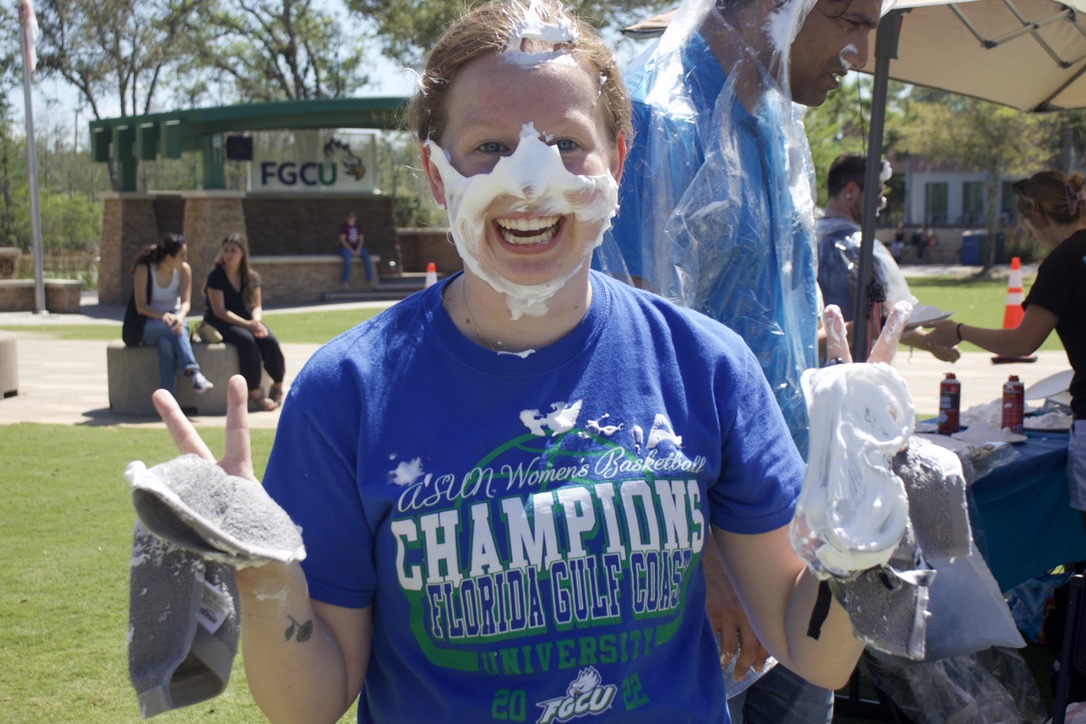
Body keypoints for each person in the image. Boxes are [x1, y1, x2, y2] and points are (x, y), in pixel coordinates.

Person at [148, 2, 907, 720]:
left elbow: (817, 652)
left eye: (566, 143)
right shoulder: (349, 393)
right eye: (490, 147)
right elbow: (307, 704)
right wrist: (266, 577)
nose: (530, 180)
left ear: (617, 155)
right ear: (438, 171)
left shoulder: (704, 367)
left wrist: (860, 539)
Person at [594, 0, 883, 720]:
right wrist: (698, 549)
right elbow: (622, 355)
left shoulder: (774, 128)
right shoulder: (658, 125)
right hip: (702, 546)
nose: (862, 50)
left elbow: (767, 331)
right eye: (849, 18)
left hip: (791, 519)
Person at [929, 170, 1086, 531]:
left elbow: (1022, 342)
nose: (1031, 235)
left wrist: (958, 330)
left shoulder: (1063, 261)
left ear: (1039, 217)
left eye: (1028, 225)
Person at [816, 153, 959, 363]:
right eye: (877, 194)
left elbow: (880, 323)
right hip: (851, 378)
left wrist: (930, 344)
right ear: (851, 192)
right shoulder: (861, 249)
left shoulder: (803, 241)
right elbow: (884, 320)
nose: (880, 205)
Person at [202, 233, 286, 412]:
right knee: (247, 341)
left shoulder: (251, 277)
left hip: (246, 318)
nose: (229, 254)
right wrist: (248, 326)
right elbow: (219, 311)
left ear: (243, 253)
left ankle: (277, 385)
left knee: (269, 340)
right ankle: (255, 393)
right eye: (226, 251)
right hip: (220, 320)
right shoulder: (216, 276)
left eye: (233, 251)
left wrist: (256, 322)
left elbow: (257, 306)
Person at [129, 233, 213, 395]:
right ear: (168, 258)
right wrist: (162, 316)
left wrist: (180, 317)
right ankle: (193, 372)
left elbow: (186, 303)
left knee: (165, 344)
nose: (185, 259)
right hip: (149, 323)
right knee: (172, 329)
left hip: (175, 318)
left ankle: (167, 398)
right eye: (181, 255)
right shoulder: (144, 270)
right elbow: (141, 306)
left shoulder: (184, 270)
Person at [337, 210, 376, 288]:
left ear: (355, 218)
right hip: (345, 249)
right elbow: (342, 240)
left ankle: (370, 280)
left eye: (353, 217)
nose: (351, 218)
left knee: (366, 256)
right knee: (348, 258)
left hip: (357, 248)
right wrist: (351, 250)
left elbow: (361, 240)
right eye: (350, 217)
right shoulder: (344, 227)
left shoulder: (358, 227)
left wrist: (358, 249)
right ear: (347, 218)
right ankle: (345, 281)